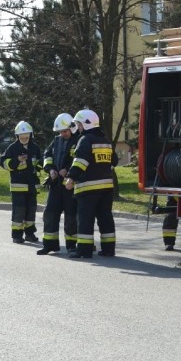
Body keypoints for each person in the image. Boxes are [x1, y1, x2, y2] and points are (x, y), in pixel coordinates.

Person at [64, 109, 117, 259]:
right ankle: (108, 249)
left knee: (85, 220)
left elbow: (81, 161)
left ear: (86, 124)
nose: (78, 128)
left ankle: (84, 251)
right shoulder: (106, 140)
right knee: (105, 218)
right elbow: (114, 162)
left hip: (88, 188)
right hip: (106, 188)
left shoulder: (85, 140)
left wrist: (71, 178)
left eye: (79, 124)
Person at [37, 113, 80, 256]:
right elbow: (47, 155)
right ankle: (50, 245)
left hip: (69, 184)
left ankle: (71, 245)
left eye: (65, 131)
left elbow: (78, 159)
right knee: (50, 213)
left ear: (72, 128)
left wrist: (66, 170)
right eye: (61, 131)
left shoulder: (78, 140)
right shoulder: (56, 140)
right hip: (56, 184)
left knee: (71, 216)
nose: (63, 134)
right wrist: (50, 170)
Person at [0, 121, 42, 244]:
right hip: (18, 186)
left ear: (30, 135)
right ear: (17, 136)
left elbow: (40, 161)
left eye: (26, 137)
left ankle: (30, 233)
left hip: (32, 185)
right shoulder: (12, 148)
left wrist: (40, 166)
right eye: (22, 137)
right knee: (19, 211)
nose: (24, 139)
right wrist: (16, 161)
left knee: (31, 210)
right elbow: (3, 163)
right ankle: (17, 235)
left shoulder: (34, 148)